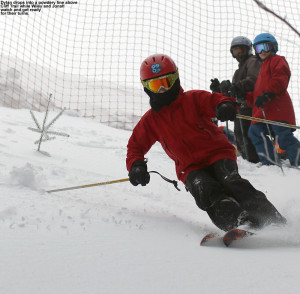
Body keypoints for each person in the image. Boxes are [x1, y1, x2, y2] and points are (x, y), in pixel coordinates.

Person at [126, 54, 286, 232]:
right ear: (147, 88)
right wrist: (136, 165)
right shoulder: (151, 121)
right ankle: (239, 222)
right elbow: (135, 146)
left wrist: (224, 106)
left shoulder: (193, 99)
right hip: (190, 167)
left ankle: (271, 218)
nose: (163, 89)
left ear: (176, 79)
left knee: (231, 181)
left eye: (167, 81)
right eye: (156, 85)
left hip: (218, 154)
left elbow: (216, 100)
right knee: (205, 190)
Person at [246, 33, 300, 166]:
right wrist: (247, 98)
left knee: (283, 136)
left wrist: (268, 94)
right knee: (255, 131)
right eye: (259, 49)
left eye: (266, 47)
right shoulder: (262, 67)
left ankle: (297, 161)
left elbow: (280, 78)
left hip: (278, 108)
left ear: (273, 47)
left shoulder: (278, 60)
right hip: (264, 109)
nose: (263, 51)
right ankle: (270, 161)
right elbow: (257, 93)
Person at [210, 36, 261, 163]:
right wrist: (219, 90)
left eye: (242, 50)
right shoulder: (239, 71)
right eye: (235, 51)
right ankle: (249, 160)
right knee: (240, 135)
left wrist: (236, 86)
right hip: (242, 106)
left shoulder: (253, 61)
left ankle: (254, 160)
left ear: (248, 50)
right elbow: (233, 95)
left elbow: (253, 80)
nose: (239, 54)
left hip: (251, 106)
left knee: (244, 134)